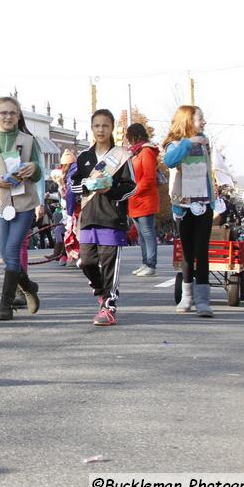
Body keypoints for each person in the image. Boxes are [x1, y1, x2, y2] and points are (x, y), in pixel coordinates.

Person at [0, 96, 43, 321]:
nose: (7, 117)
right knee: (7, 255)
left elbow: (39, 173)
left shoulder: (28, 140)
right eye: (3, 113)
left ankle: (4, 306)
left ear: (18, 116)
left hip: (24, 204)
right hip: (1, 205)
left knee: (13, 251)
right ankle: (29, 285)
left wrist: (34, 167)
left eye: (12, 113)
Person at [70, 110, 136, 326]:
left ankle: (109, 305)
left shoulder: (121, 156)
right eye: (97, 126)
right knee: (86, 261)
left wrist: (111, 188)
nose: (101, 130)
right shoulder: (84, 157)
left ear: (112, 128)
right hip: (88, 217)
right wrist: (87, 185)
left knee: (109, 264)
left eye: (105, 126)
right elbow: (73, 185)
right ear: (91, 128)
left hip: (111, 217)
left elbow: (130, 187)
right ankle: (101, 292)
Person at [163, 105, 217, 317]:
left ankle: (203, 300)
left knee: (202, 251)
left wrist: (214, 198)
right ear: (187, 121)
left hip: (203, 203)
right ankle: (187, 296)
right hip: (183, 205)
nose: (203, 122)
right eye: (199, 119)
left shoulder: (205, 142)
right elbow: (170, 161)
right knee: (187, 252)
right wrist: (188, 143)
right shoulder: (174, 144)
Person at [126, 122, 160, 277]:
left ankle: (151, 264)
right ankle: (145, 262)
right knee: (141, 234)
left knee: (147, 232)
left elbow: (149, 177)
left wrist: (135, 190)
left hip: (144, 198)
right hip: (135, 199)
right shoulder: (134, 153)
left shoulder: (146, 152)